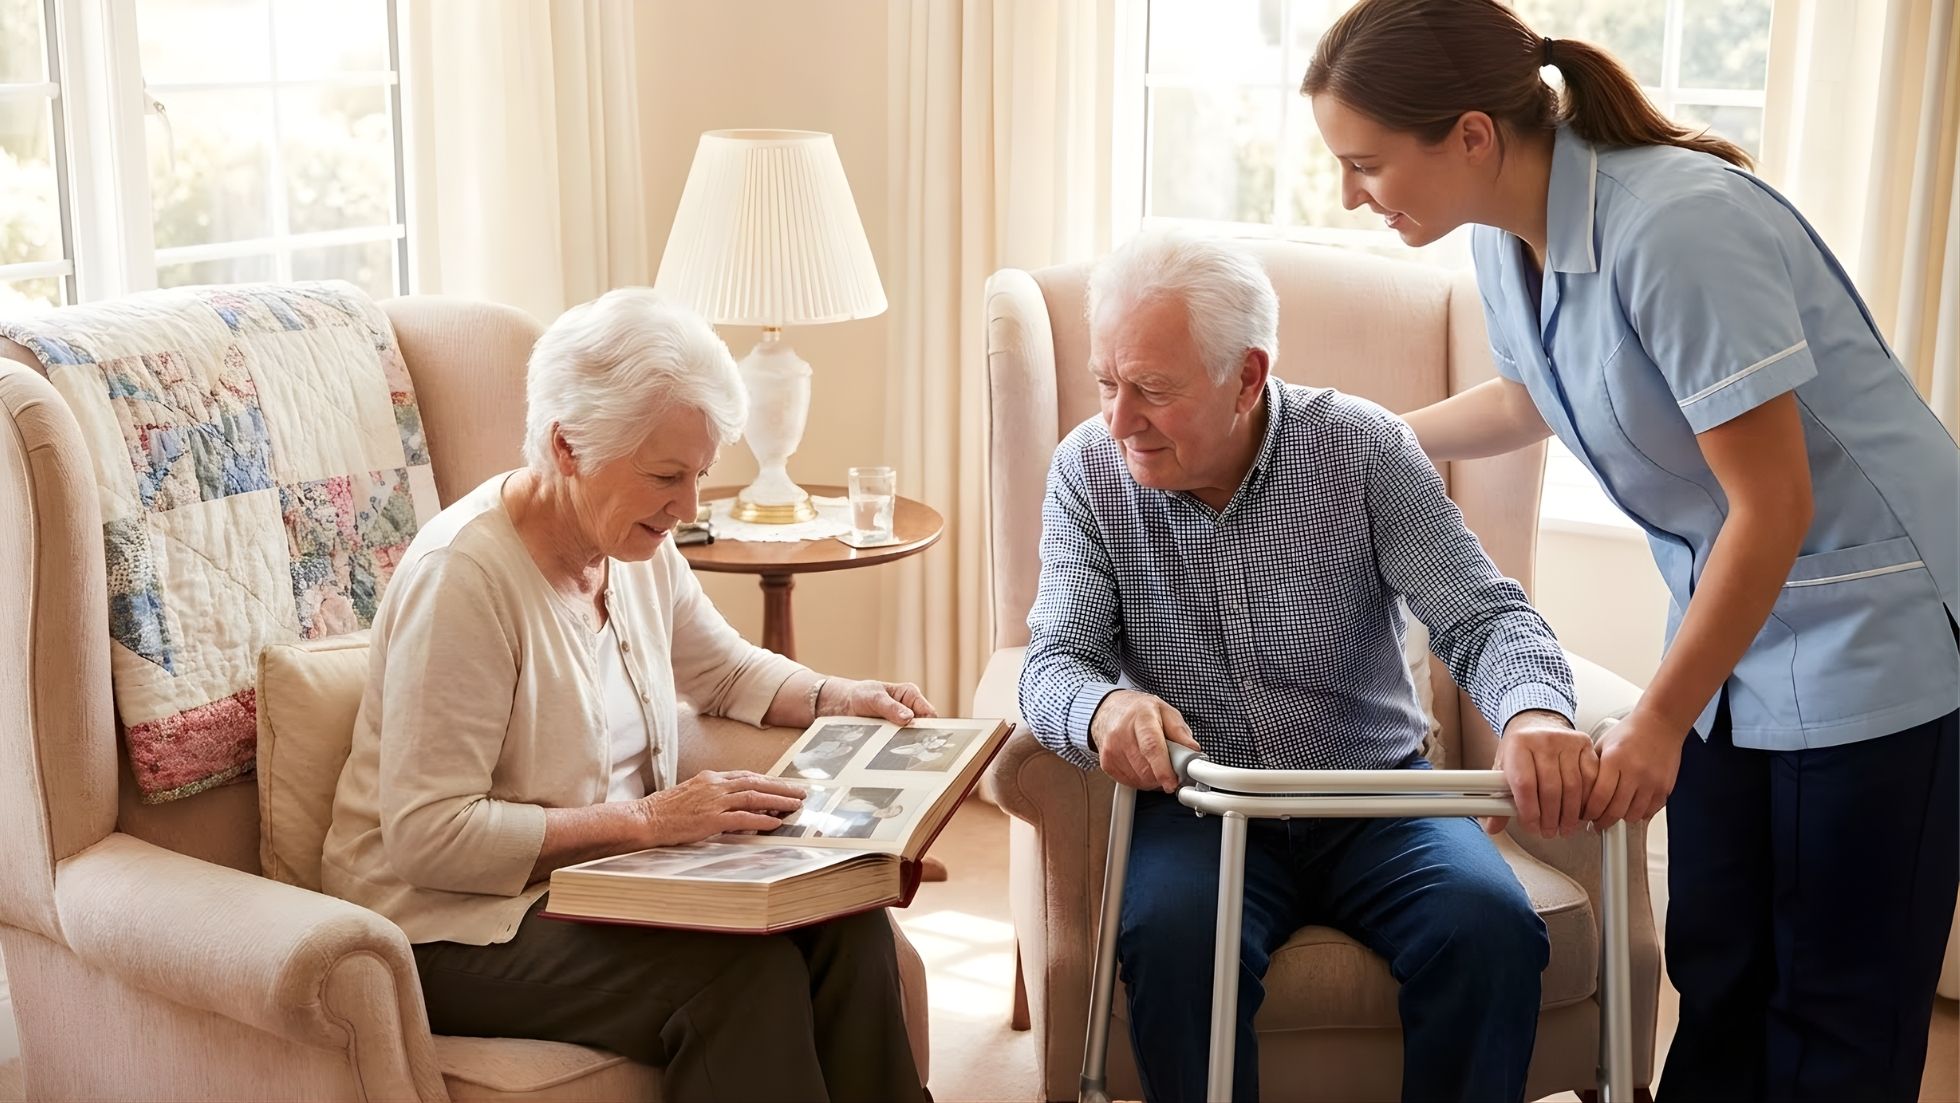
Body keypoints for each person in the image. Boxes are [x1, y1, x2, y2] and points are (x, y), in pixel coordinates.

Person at [1301, 3, 1960, 1099]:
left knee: (1834, 1005)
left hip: (1870, 631)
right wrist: (1359, 441)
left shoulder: (1677, 227)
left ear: (1469, 134)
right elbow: (1532, 394)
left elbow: (1773, 504)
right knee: (1721, 967)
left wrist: (1655, 719)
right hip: (1737, 632)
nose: (1349, 195)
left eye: (1364, 164)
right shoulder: (1508, 243)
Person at [1017, 230, 1597, 1102]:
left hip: (1375, 794)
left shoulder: (1362, 450)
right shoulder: (1087, 473)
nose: (1119, 419)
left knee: (1489, 926)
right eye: (1107, 382)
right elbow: (1057, 658)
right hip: (1201, 804)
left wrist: (1534, 714)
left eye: (1152, 391)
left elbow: (1484, 617)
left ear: (1247, 376)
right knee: (1174, 942)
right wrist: (1102, 710)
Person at [320, 288, 933, 1102]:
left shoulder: (634, 545)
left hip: (603, 883)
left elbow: (722, 670)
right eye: (665, 476)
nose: (685, 508)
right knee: (737, 978)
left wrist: (837, 694)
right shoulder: (463, 580)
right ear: (566, 446)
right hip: (449, 922)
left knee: (845, 925)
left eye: (700, 475)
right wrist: (648, 821)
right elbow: (429, 836)